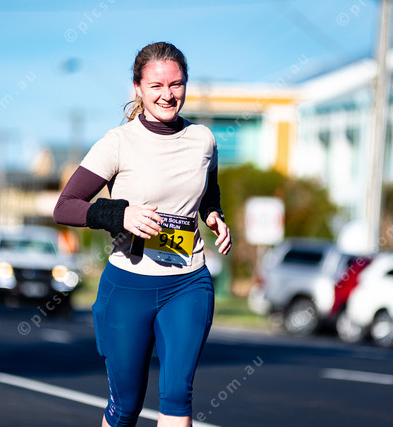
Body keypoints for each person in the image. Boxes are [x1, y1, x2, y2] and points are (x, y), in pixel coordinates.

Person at [53, 42, 232, 427]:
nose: (168, 95)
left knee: (177, 396)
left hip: (188, 281)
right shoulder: (118, 142)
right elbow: (65, 206)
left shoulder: (203, 139)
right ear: (137, 87)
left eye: (176, 84)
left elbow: (208, 189)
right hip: (128, 285)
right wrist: (120, 214)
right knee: (125, 407)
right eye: (156, 86)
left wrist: (214, 214)